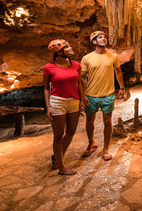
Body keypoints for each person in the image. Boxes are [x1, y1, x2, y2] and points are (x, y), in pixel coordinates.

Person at [81, 31, 125, 161]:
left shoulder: (113, 56)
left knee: (107, 121)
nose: (103, 39)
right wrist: (82, 94)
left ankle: (106, 148)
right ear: (94, 42)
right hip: (91, 95)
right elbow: (82, 78)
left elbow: (118, 72)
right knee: (89, 121)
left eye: (105, 37)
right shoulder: (87, 58)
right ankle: (91, 143)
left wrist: (121, 87)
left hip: (108, 94)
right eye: (100, 37)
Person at [43, 39, 84, 175]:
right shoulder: (49, 67)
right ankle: (61, 167)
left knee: (71, 132)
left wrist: (82, 100)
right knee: (58, 136)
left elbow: (79, 84)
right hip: (57, 102)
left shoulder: (76, 65)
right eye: (67, 47)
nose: (70, 48)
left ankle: (57, 158)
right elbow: (46, 89)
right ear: (58, 52)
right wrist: (48, 107)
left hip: (74, 101)